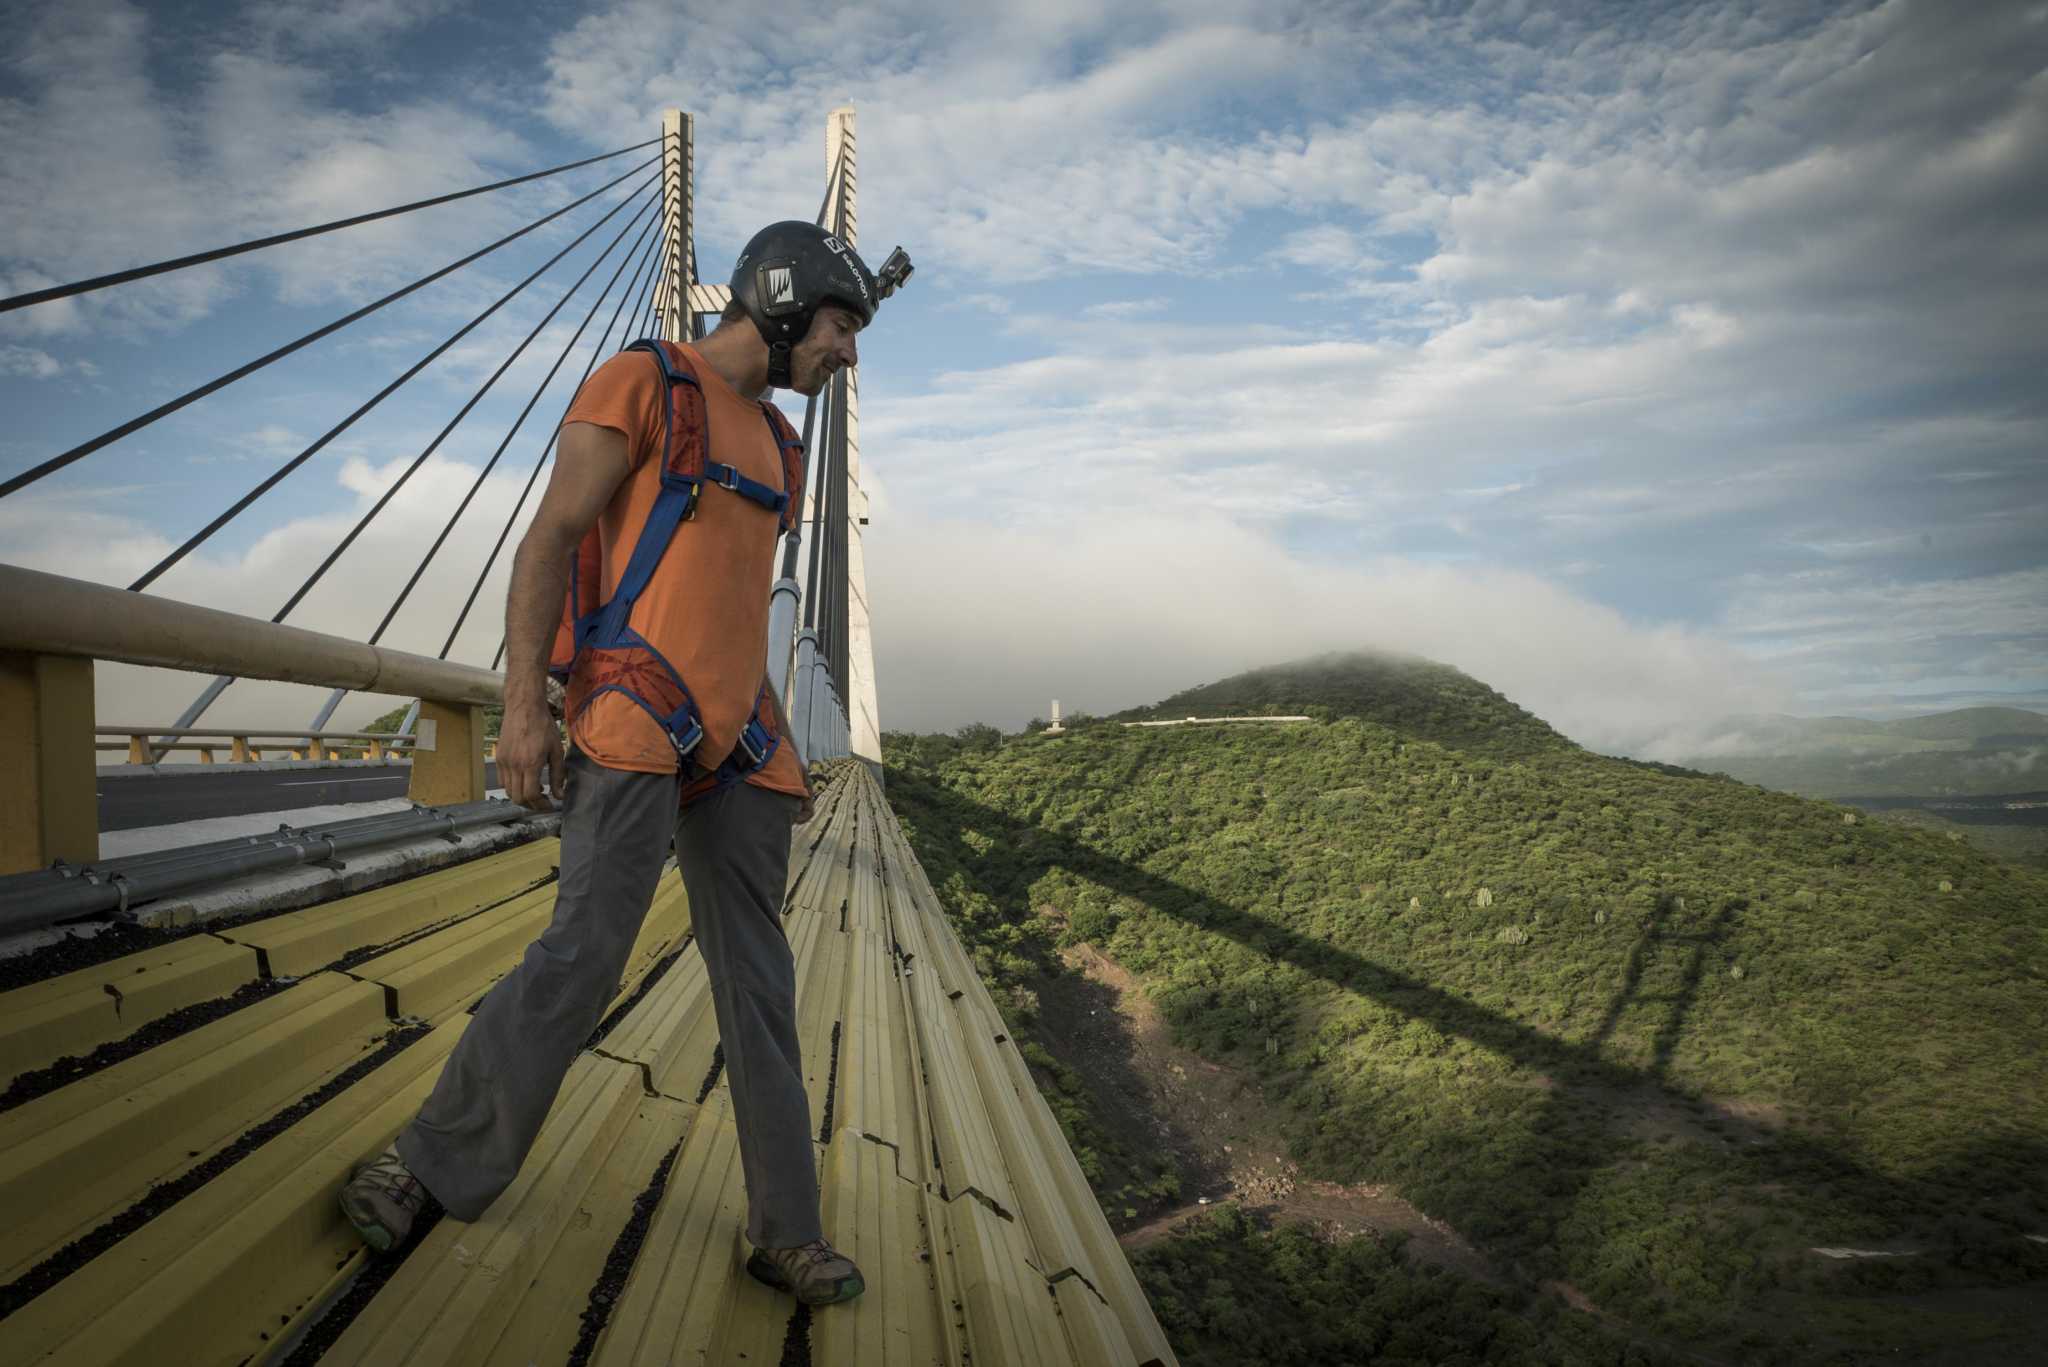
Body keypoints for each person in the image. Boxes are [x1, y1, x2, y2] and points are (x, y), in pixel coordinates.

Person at [339, 222, 902, 1309]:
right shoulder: (641, 382)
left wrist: (773, 735)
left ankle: (785, 1231)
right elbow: (549, 539)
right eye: (839, 325)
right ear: (781, 303)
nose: (847, 352)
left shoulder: (782, 447)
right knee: (582, 954)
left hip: (741, 736)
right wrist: (521, 711)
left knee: (761, 983)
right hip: (632, 714)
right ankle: (427, 1161)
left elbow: (736, 602)